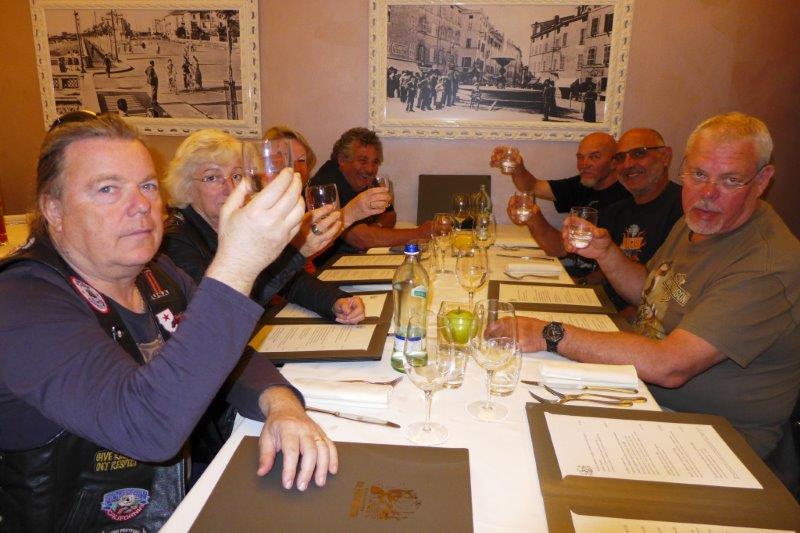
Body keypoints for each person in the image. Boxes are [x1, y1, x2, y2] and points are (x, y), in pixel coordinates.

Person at [0, 114, 337, 531]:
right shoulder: (22, 301)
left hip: (175, 503)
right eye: (107, 189)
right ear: (54, 209)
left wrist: (282, 405)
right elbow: (147, 427)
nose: (141, 204)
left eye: (146, 186)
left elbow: (228, 354)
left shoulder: (158, 275)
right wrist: (237, 264)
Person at [516, 112, 800, 464]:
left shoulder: (766, 265)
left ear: (761, 181)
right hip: (642, 395)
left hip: (712, 438)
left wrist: (550, 333)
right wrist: (606, 253)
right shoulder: (697, 222)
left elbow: (670, 366)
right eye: (699, 174)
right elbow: (652, 292)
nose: (707, 194)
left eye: (730, 180)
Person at [161, 128, 365, 324]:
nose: (230, 188)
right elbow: (225, 313)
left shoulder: (238, 222)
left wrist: (335, 301)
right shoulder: (174, 241)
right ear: (186, 187)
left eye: (236, 176)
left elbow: (287, 281)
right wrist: (297, 252)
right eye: (212, 178)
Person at [308, 127, 432, 266]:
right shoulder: (325, 186)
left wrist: (376, 228)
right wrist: (421, 233)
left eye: (375, 162)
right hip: (329, 267)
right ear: (342, 159)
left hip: (357, 259)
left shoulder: (364, 178)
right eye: (363, 161)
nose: (370, 169)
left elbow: (389, 214)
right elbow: (360, 239)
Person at [496, 132, 629, 256]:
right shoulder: (582, 184)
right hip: (571, 269)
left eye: (594, 156)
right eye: (580, 157)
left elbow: (619, 263)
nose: (584, 164)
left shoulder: (626, 198)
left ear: (614, 162)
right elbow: (532, 186)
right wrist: (517, 167)